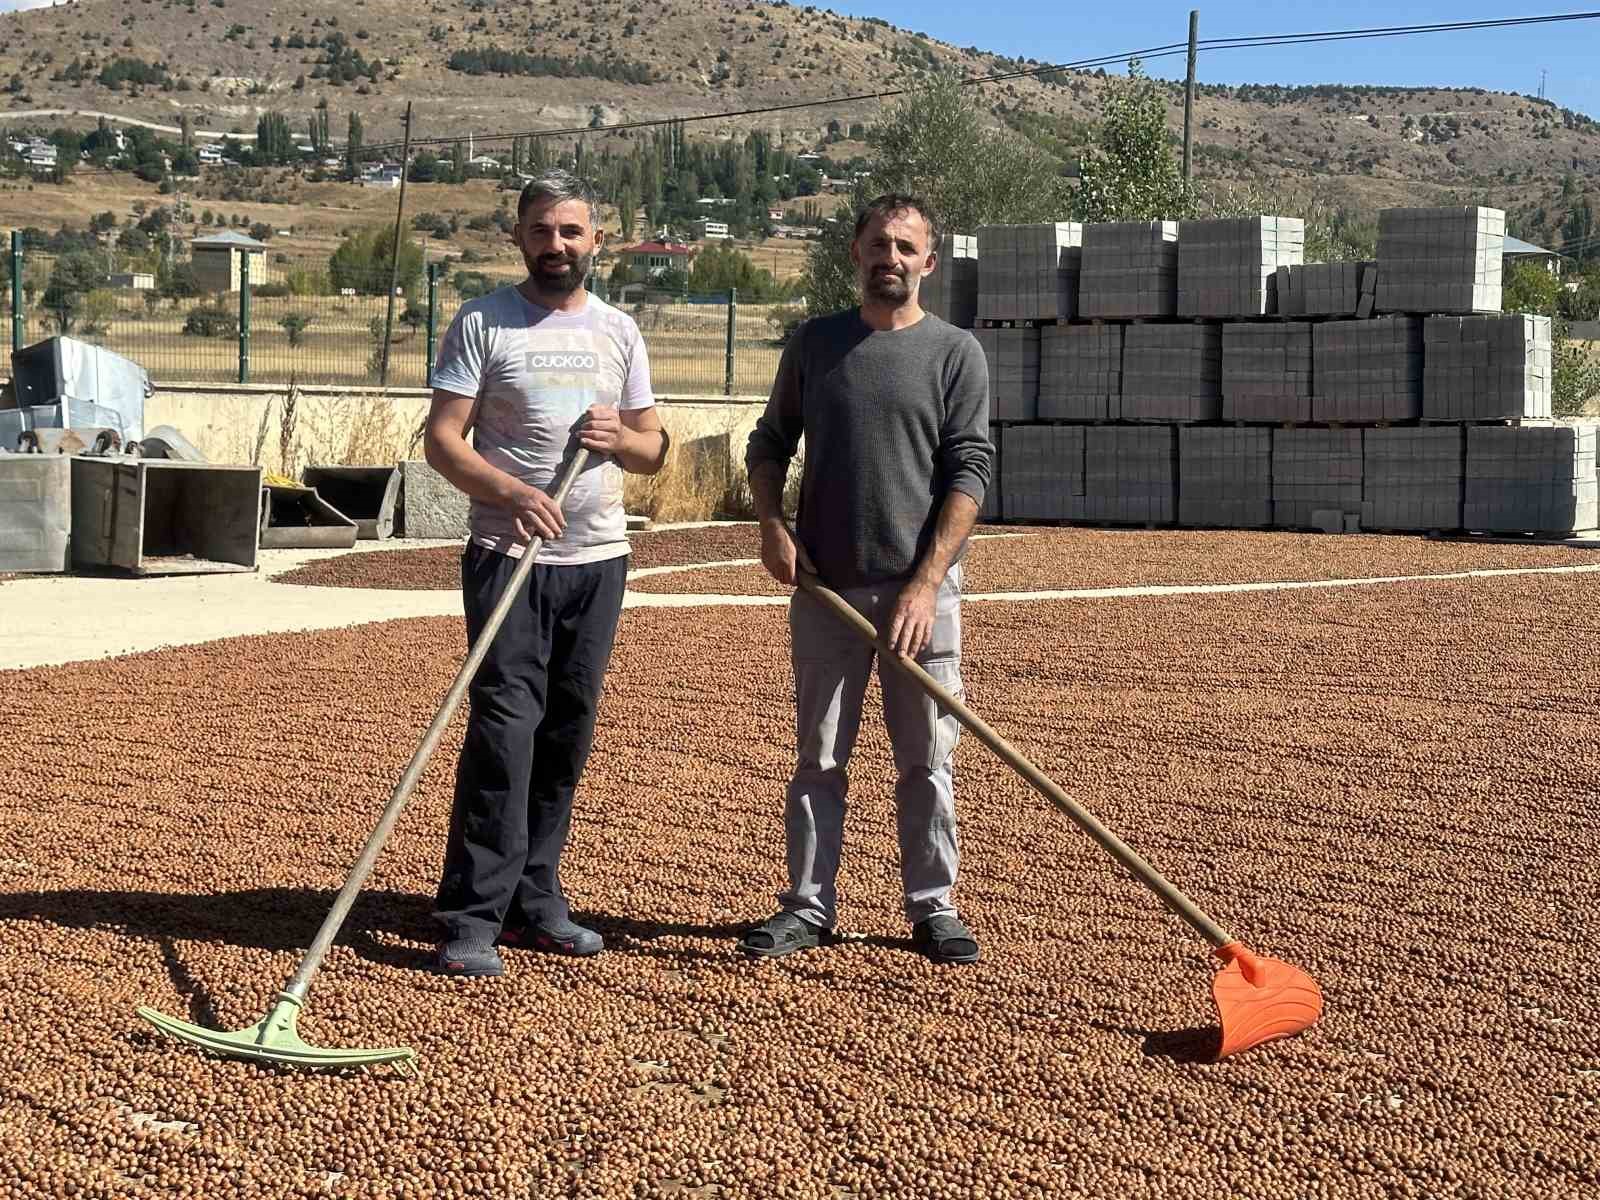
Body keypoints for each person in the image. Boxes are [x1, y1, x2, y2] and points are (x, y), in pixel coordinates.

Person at [424, 168, 668, 977]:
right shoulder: (484, 323)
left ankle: (537, 899)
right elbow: (444, 440)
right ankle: (471, 913)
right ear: (519, 237)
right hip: (508, 558)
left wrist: (619, 440)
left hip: (597, 561)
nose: (556, 245)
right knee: (505, 731)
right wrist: (512, 493)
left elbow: (653, 450)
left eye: (571, 231)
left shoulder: (619, 332)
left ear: (596, 241)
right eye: (541, 230)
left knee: (566, 732)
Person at [741, 193, 992, 965]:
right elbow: (769, 441)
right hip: (826, 590)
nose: (891, 259)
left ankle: (933, 907)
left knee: (926, 758)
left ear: (929, 262)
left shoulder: (956, 354)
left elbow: (970, 471)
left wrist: (926, 583)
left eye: (906, 248)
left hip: (922, 592)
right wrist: (772, 525)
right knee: (818, 757)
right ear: (856, 253)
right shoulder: (817, 345)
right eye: (879, 244)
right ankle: (809, 908)